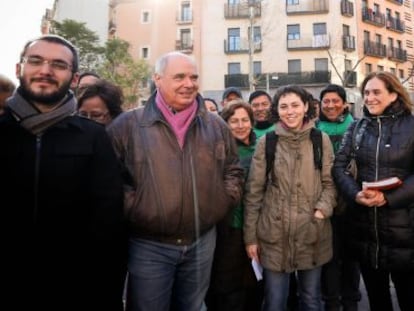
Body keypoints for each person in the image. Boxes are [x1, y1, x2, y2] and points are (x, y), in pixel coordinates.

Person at [107, 51, 244, 311]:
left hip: (202, 241)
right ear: (158, 79)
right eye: (179, 77)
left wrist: (223, 200)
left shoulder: (216, 125)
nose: (189, 84)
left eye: (193, 77)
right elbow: (109, 180)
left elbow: (233, 169)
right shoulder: (127, 125)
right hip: (149, 246)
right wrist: (137, 207)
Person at [0, 34, 127, 311]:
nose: (45, 70)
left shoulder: (93, 137)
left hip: (75, 289)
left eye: (58, 64)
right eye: (36, 61)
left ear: (74, 78)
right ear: (19, 68)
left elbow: (108, 221)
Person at [244, 84, 336, 311]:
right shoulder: (268, 142)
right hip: (274, 236)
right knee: (275, 301)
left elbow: (330, 183)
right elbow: (254, 192)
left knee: (311, 300)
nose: (290, 111)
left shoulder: (320, 139)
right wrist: (251, 238)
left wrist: (321, 210)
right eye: (283, 106)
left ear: (306, 106)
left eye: (295, 105)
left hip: (312, 233)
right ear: (277, 110)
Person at [332, 71, 414, 311]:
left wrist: (389, 199)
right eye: (366, 92)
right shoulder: (357, 127)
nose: (369, 97)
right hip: (366, 233)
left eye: (376, 92)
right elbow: (339, 167)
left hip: (406, 234)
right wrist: (354, 194)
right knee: (378, 302)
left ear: (394, 94)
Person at [206, 99, 262, 311]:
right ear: (225, 124)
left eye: (244, 120)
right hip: (229, 226)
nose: (240, 125)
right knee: (228, 285)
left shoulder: (263, 146)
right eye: (234, 121)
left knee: (255, 283)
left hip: (258, 225)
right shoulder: (218, 151)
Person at [316, 84, 361, 311]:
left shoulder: (357, 128)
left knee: (351, 256)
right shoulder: (313, 130)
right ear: (320, 104)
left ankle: (351, 301)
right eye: (326, 101)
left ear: (344, 104)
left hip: (352, 203)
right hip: (324, 203)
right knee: (329, 257)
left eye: (336, 101)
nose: (331, 105)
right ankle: (331, 301)